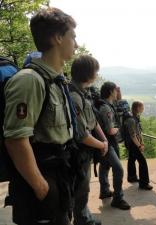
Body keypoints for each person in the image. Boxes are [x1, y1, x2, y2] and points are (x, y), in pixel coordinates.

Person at [3, 7, 78, 225]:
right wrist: (41, 187)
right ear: (57, 38)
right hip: (42, 180)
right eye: (72, 36)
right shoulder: (30, 80)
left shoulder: (56, 80)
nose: (76, 42)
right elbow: (16, 139)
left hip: (58, 174)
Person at [69, 55, 108, 225]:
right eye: (95, 72)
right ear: (88, 74)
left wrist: (103, 139)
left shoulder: (83, 93)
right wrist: (102, 144)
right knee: (81, 189)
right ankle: (82, 220)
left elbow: (92, 120)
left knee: (82, 188)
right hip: (78, 153)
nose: (97, 75)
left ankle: (83, 216)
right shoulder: (75, 97)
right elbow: (82, 135)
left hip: (84, 152)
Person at [94, 81, 131, 210]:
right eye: (115, 90)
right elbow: (110, 130)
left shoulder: (106, 104)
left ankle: (104, 191)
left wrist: (119, 93)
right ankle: (118, 198)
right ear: (110, 92)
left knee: (104, 166)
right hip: (107, 142)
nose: (117, 93)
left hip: (104, 141)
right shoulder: (106, 108)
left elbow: (118, 101)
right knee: (118, 169)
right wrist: (117, 128)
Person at [124, 101, 153, 190]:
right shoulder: (132, 120)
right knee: (142, 161)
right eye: (142, 107)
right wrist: (139, 145)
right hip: (133, 144)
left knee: (132, 159)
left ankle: (131, 177)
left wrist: (142, 142)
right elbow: (133, 135)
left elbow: (138, 132)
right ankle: (144, 183)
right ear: (137, 108)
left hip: (134, 143)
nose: (143, 109)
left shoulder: (135, 117)